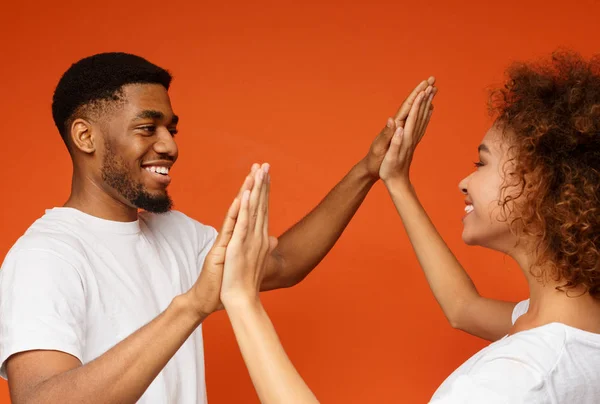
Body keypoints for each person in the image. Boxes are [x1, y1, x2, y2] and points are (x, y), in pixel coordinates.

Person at [0, 51, 433, 404]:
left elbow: (284, 262)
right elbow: (40, 400)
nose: (169, 146)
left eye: (171, 129)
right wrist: (190, 306)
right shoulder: (46, 256)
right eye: (147, 128)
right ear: (85, 136)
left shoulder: (175, 232)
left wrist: (368, 170)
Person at [217, 51, 600, 404]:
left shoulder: (514, 380)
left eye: (481, 163)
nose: (464, 181)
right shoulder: (573, 330)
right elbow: (464, 308)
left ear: (538, 183)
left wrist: (242, 300)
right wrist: (397, 181)